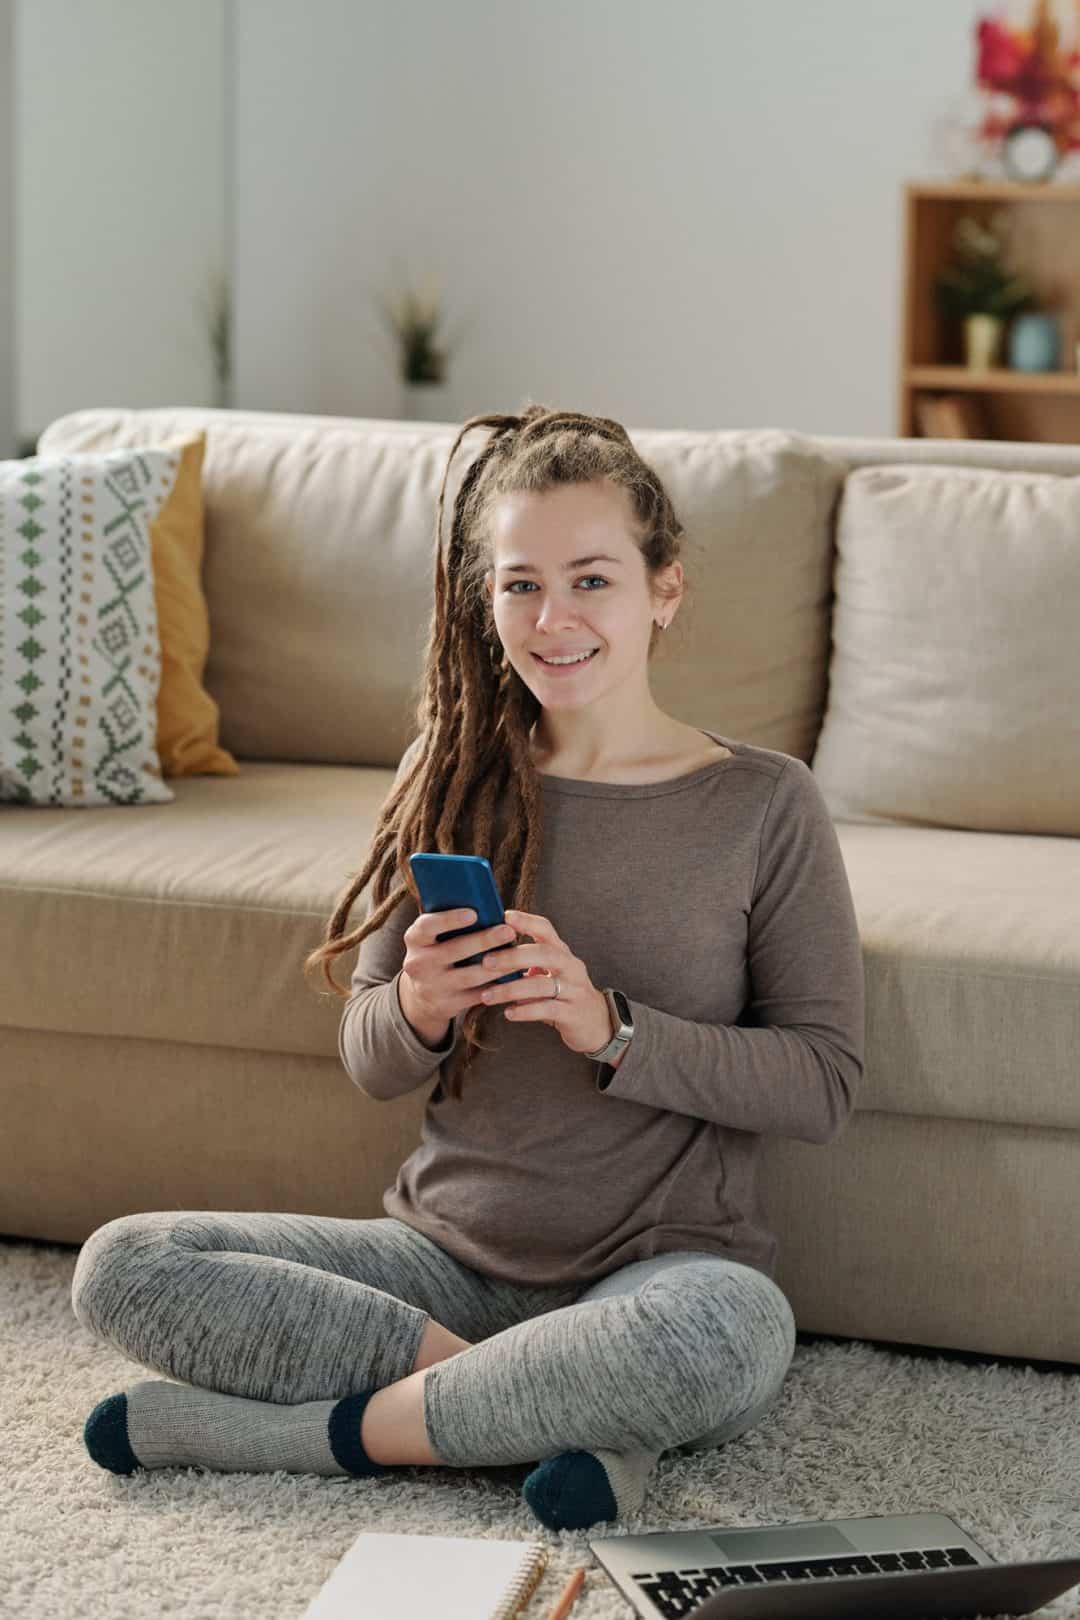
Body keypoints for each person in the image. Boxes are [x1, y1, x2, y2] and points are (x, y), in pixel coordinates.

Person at [71, 404, 865, 1532]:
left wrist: (611, 1028)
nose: (553, 619)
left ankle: (305, 1439)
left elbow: (822, 1083)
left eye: (592, 580)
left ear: (664, 591)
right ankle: (547, 1421)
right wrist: (420, 1006)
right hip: (438, 1264)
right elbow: (370, 1057)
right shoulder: (451, 776)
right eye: (518, 584)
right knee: (124, 1262)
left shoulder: (761, 802)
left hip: (657, 1273)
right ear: (484, 602)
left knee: (723, 1337)